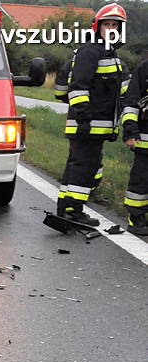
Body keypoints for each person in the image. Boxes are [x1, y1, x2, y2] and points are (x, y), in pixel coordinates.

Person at [57, 3, 129, 226]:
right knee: (85, 166)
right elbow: (77, 88)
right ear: (97, 27)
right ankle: (73, 212)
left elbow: (122, 93)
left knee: (81, 166)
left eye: (115, 25)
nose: (111, 29)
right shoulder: (91, 51)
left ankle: (65, 206)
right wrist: (84, 118)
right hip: (86, 124)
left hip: (99, 127)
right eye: (107, 24)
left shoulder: (113, 56)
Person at [120, 57, 148, 235]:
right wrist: (130, 131)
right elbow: (131, 103)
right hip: (145, 141)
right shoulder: (145, 68)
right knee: (141, 180)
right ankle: (136, 219)